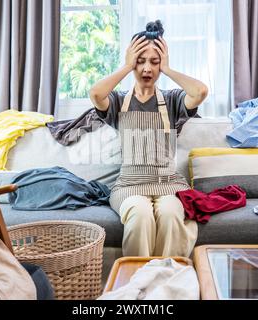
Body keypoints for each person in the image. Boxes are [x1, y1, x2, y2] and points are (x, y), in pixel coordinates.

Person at [89, 20, 208, 257]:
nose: (147, 69)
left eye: (154, 62)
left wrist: (169, 69)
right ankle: (136, 280)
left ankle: (166, 276)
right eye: (140, 62)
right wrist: (125, 66)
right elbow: (95, 93)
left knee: (171, 213)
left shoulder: (172, 100)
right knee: (140, 214)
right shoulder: (118, 101)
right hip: (129, 186)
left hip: (168, 184)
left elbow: (200, 92)